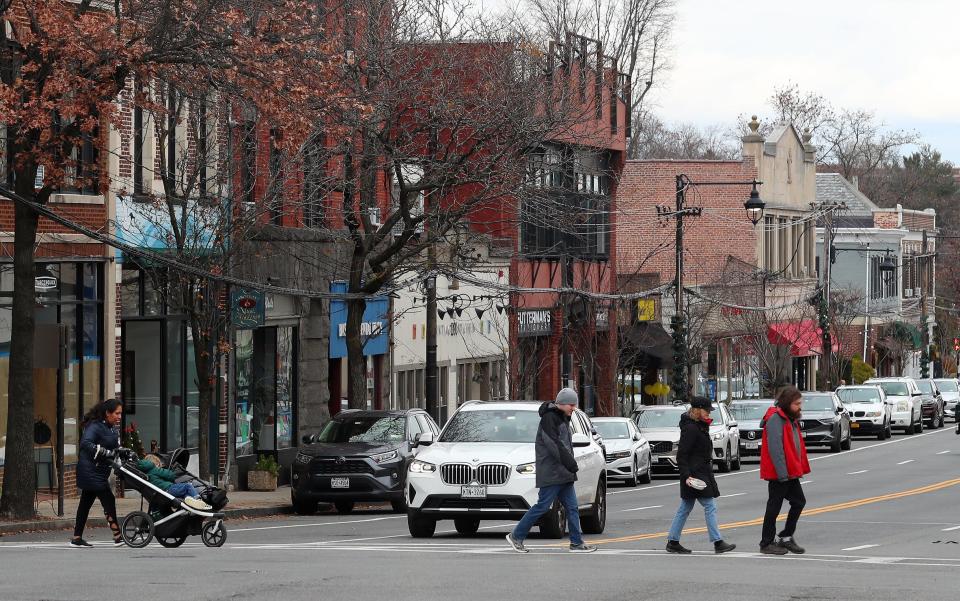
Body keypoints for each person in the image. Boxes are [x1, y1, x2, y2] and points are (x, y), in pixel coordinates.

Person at [505, 388, 597, 553]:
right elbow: (554, 445)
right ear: (561, 404)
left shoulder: (562, 418)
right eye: (571, 404)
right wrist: (570, 463)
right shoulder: (549, 419)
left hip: (563, 474)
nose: (573, 408)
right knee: (542, 506)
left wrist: (569, 467)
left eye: (574, 405)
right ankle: (516, 536)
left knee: (572, 507)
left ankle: (576, 543)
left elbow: (563, 445)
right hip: (552, 473)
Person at [665, 396, 736, 554]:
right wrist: (687, 476)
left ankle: (673, 541)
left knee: (685, 507)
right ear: (697, 410)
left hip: (699, 472)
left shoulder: (698, 426)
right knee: (709, 506)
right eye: (706, 410)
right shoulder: (691, 428)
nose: (709, 413)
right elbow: (682, 454)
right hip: (695, 474)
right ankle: (718, 542)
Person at [759, 386, 811, 555]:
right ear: (788, 404)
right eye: (797, 403)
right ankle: (766, 543)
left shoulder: (790, 418)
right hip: (780, 473)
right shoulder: (776, 420)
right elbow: (776, 449)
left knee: (798, 502)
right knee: (774, 507)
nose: (800, 406)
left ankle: (786, 536)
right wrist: (782, 474)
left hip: (789, 472)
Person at [72, 399, 123, 548]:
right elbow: (86, 444)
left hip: (99, 471)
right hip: (90, 471)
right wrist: (105, 452)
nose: (119, 416)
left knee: (85, 504)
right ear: (108, 413)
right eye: (117, 413)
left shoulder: (112, 429)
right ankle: (118, 536)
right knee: (108, 499)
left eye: (120, 413)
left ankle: (76, 537)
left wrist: (122, 453)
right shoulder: (95, 427)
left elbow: (116, 447)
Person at [136, 455, 212, 510]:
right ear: (154, 464)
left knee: (185, 493)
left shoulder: (148, 472)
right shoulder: (155, 470)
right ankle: (199, 500)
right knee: (188, 486)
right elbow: (170, 475)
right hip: (168, 489)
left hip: (164, 491)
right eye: (159, 464)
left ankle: (190, 500)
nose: (160, 466)